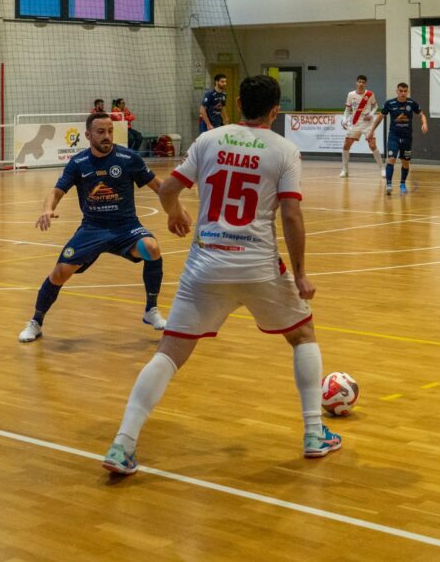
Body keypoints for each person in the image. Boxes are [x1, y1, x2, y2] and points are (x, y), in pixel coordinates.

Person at [102, 75, 341, 476]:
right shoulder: (284, 150)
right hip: (258, 266)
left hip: (205, 267)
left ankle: (123, 444)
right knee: (302, 335)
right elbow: (291, 214)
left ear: (236, 105)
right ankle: (314, 434)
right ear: (275, 110)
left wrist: (175, 213)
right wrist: (300, 274)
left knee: (169, 353)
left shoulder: (209, 140)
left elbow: (167, 190)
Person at [18, 112, 167, 343]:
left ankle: (151, 310)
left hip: (126, 227)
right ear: (88, 135)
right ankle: (36, 322)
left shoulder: (128, 158)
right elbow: (56, 192)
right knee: (59, 273)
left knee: (151, 248)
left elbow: (159, 187)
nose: (107, 136)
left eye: (110, 131)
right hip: (92, 229)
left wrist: (176, 209)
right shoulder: (78, 163)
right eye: (101, 132)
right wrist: (47, 209)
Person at [372, 82, 428, 195]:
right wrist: (371, 130)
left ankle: (402, 183)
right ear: (397, 91)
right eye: (401, 91)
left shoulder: (412, 103)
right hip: (394, 136)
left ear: (407, 92)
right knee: (391, 159)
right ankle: (388, 184)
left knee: (405, 162)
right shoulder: (389, 103)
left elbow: (421, 114)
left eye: (405, 91)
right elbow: (380, 117)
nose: (403, 93)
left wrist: (424, 123)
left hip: (407, 137)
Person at [340, 74, 384, 178]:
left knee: (372, 145)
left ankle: (382, 169)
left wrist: (371, 114)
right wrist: (344, 120)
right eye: (359, 82)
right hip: (355, 122)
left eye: (363, 82)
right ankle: (345, 170)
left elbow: (376, 106)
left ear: (365, 83)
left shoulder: (370, 94)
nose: (361, 84)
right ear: (356, 82)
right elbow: (347, 109)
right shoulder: (350, 94)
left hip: (368, 123)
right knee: (346, 145)